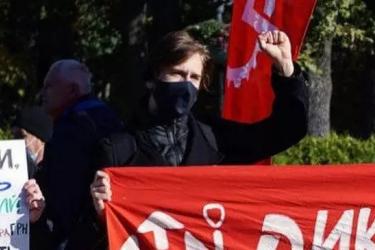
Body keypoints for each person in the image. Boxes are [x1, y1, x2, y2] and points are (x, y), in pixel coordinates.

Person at [90, 30, 308, 218]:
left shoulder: (217, 139)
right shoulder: (117, 151)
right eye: (177, 73)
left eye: (194, 77)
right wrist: (101, 214)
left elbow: (286, 130)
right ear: (152, 78)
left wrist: (285, 68)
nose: (186, 85)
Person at [24, 59, 124, 249]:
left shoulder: (72, 129)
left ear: (72, 90)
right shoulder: (112, 120)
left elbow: (63, 193)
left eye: (49, 87)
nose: (42, 93)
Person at [12, 106, 52, 178]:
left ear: (41, 140)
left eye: (21, 136)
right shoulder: (14, 174)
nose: (16, 141)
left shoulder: (57, 173)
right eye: (14, 136)